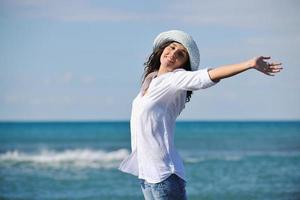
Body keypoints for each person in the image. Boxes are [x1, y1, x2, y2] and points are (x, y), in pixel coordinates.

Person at [119, 30, 282, 200]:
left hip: (164, 176)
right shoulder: (151, 79)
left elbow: (209, 75)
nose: (173, 53)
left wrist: (249, 64)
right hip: (146, 176)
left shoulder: (176, 78)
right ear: (162, 49)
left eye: (180, 54)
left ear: (184, 64)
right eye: (172, 47)